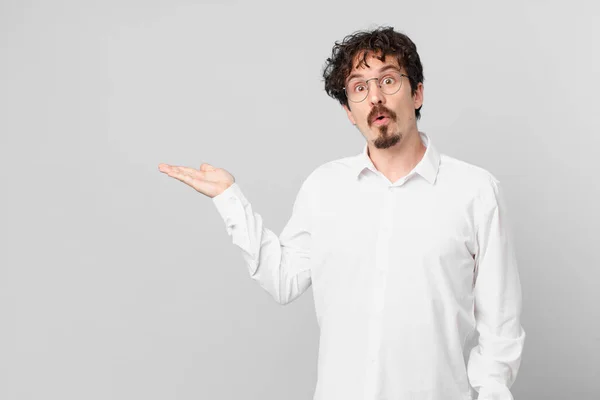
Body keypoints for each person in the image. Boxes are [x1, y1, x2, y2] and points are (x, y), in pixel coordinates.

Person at [158, 26, 526, 400]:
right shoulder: (324, 188)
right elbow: (282, 279)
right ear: (349, 111)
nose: (376, 98)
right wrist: (228, 197)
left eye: (388, 80)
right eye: (359, 87)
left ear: (417, 93)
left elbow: (501, 327)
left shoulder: (476, 192)